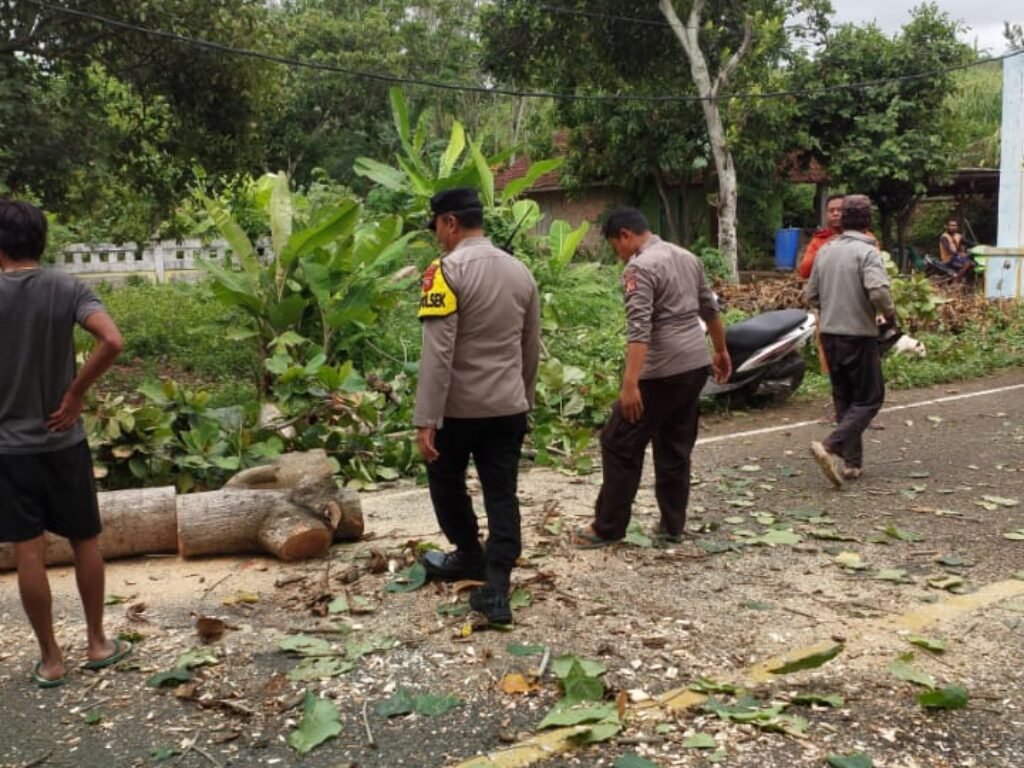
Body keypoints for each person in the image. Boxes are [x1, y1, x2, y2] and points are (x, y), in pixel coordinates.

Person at [0, 200, 129, 687]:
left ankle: (51, 660)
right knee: (84, 541)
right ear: (40, 241)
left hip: (9, 450)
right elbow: (112, 340)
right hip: (63, 440)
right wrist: (75, 394)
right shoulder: (66, 287)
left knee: (29, 554)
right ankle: (97, 642)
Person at [413, 187, 540, 625]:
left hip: (458, 412)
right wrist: (525, 399)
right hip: (508, 407)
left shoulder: (444, 272)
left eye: (438, 229)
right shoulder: (520, 271)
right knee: (501, 492)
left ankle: (468, 552)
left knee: (446, 483)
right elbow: (530, 347)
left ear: (450, 222)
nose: (438, 239)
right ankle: (498, 584)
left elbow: (438, 354)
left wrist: (426, 420)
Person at [574, 207, 730, 547]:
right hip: (694, 364)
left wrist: (631, 385)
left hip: (662, 370)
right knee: (675, 446)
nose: (618, 253)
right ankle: (673, 525)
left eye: (616, 245)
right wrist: (720, 350)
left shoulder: (639, 267)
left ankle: (607, 527)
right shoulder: (686, 256)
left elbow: (639, 328)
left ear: (625, 235)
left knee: (619, 442)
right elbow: (710, 309)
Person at [805, 195, 896, 487]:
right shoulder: (868, 253)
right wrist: (889, 314)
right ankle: (830, 445)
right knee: (870, 398)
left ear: (842, 220)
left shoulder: (826, 251)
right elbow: (879, 292)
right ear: (868, 221)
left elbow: (812, 296)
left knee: (845, 397)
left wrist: (834, 306)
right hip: (859, 335)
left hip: (830, 335)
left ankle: (852, 464)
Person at [797, 194, 844, 280]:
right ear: (826, 214)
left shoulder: (864, 238)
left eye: (840, 210)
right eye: (831, 210)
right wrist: (824, 248)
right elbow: (804, 272)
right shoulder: (819, 239)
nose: (835, 213)